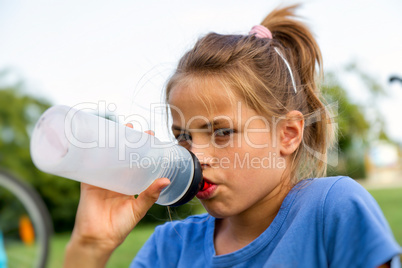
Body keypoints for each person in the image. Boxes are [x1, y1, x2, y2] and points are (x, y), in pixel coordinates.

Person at [63, 5, 401, 268]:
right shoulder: (171, 246)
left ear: (288, 134)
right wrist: (90, 245)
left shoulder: (331, 209)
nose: (196, 155)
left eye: (221, 132)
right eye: (182, 136)